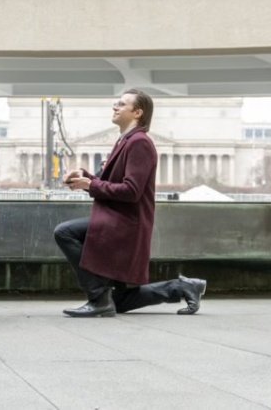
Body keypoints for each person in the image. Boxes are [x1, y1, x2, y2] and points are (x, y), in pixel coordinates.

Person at [54, 89, 206, 317]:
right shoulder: (126, 141)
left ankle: (98, 297)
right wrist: (84, 176)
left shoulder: (139, 143)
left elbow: (131, 191)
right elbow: (117, 183)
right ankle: (183, 287)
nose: (115, 107)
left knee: (65, 232)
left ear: (137, 112)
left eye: (121, 104)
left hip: (124, 223)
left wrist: (90, 185)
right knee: (121, 300)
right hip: (121, 220)